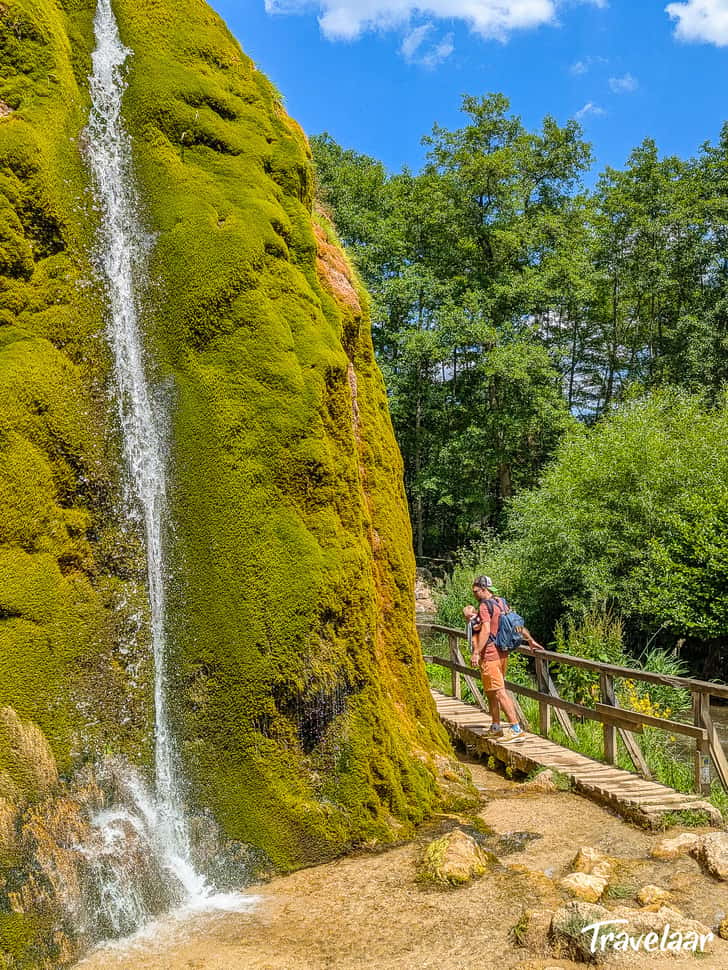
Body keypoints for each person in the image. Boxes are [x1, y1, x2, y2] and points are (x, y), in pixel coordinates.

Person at [465, 575, 542, 743]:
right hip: (503, 653)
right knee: (491, 692)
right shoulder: (501, 602)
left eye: (476, 591)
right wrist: (529, 639)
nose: (474, 594)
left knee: (499, 692)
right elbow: (515, 623)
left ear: (484, 589)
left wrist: (476, 652)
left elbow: (485, 630)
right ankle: (496, 727)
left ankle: (515, 729)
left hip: (491, 654)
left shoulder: (485, 606)